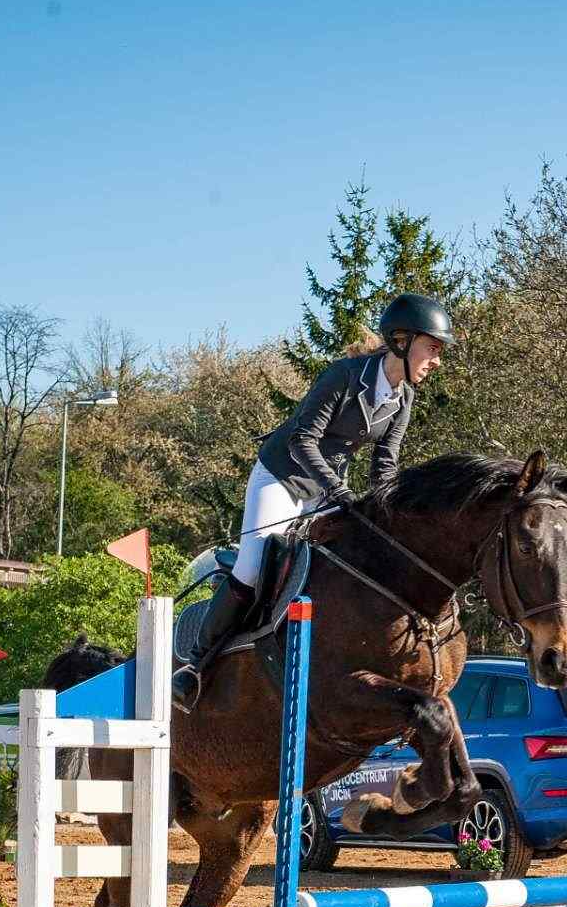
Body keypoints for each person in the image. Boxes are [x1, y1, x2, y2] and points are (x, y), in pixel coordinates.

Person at [172, 293, 454, 711]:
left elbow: (385, 465)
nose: (436, 361)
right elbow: (304, 439)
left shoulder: (403, 399)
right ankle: (195, 666)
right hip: (282, 475)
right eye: (432, 349)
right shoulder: (343, 376)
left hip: (326, 487)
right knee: (252, 568)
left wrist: (387, 517)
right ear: (401, 341)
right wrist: (339, 492)